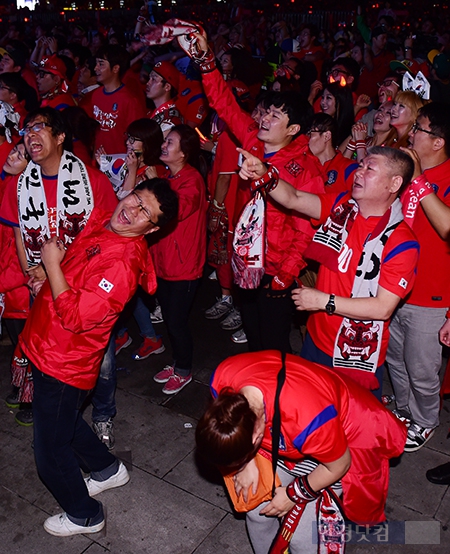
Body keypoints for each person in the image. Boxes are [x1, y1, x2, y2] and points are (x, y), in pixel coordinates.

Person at [18, 178, 178, 537]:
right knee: (64, 420)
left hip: (65, 361)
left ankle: (86, 515)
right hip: (49, 347)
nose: (131, 211)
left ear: (151, 229)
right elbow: (76, 263)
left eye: (144, 213)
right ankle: (107, 469)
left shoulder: (122, 265)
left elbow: (76, 317)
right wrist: (51, 272)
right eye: (136, 199)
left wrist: (51, 264)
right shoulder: (109, 220)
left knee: (50, 450)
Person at [181, 29, 325, 354]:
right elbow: (224, 103)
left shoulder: (305, 168)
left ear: (293, 129)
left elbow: (306, 228)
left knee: (274, 345)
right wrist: (206, 62)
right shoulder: (253, 142)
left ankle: (277, 402)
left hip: (276, 272)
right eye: (266, 111)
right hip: (245, 263)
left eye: (276, 115)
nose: (265, 117)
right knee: (254, 340)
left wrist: (283, 277)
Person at [237, 145, 420, 397]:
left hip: (353, 351)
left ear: (394, 183)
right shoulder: (343, 206)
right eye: (361, 164)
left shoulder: (401, 242)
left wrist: (324, 301)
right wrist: (265, 174)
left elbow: (383, 307)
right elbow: (295, 199)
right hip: (316, 337)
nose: (359, 172)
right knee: (312, 412)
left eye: (370, 168)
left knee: (350, 423)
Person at [196, 351, 407, 554]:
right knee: (256, 510)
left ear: (254, 439)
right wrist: (246, 464)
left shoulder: (306, 416)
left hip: (343, 443)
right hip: (289, 436)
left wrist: (292, 495)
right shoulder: (222, 384)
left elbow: (339, 464)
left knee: (302, 535)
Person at [0, 107, 118, 428]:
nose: (31, 134)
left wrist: (60, 269)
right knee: (48, 356)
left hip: (85, 287)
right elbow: (20, 239)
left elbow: (106, 240)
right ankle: (61, 417)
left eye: (40, 127)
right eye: (27, 129)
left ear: (61, 136)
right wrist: (34, 275)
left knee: (101, 362)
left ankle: (104, 414)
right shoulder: (18, 185)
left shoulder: (92, 181)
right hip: (40, 286)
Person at [386, 102, 450, 451]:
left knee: (423, 369)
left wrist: (419, 180)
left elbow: (447, 227)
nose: (411, 134)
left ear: (438, 141)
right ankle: (405, 410)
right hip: (395, 290)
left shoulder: (443, 178)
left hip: (432, 297)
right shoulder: (408, 170)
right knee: (395, 359)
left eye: (419, 129)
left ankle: (425, 420)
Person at [150, 124, 207, 394]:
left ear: (183, 153)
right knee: (171, 320)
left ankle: (184, 369)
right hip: (163, 263)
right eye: (164, 141)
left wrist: (157, 188)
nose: (163, 145)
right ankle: (176, 363)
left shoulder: (192, 180)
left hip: (184, 266)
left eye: (170, 142)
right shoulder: (166, 176)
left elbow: (176, 210)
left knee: (175, 321)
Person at [89, 45, 146, 155]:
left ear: (115, 68)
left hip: (119, 165)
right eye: (96, 63)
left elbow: (137, 138)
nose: (96, 68)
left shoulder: (129, 100)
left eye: (101, 64)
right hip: (99, 162)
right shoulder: (96, 94)